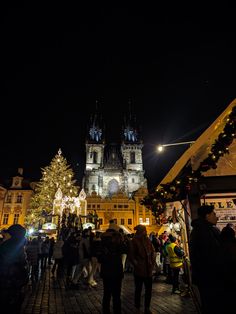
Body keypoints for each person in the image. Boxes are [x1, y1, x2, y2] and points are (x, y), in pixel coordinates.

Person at [189, 205, 225, 314]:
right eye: (214, 214)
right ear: (207, 216)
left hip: (207, 276)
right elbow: (210, 256)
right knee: (212, 305)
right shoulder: (203, 232)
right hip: (209, 277)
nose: (216, 217)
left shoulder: (205, 230)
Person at [0, 224, 29, 313]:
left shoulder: (6, 247)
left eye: (7, 233)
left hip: (6, 289)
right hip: (14, 290)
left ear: (12, 235)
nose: (3, 235)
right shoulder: (19, 247)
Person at [97, 228, 125, 314]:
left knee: (107, 293)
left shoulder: (102, 243)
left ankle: (106, 311)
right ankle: (117, 311)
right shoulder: (119, 242)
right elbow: (125, 250)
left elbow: (100, 258)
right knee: (117, 294)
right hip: (117, 270)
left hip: (107, 271)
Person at [128, 224, 155, 314]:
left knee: (148, 290)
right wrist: (137, 264)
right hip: (139, 270)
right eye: (144, 230)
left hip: (148, 269)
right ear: (140, 231)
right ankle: (137, 307)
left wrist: (152, 263)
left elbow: (152, 252)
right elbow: (131, 255)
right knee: (138, 289)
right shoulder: (134, 241)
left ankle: (147, 307)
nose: (146, 232)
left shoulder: (147, 240)